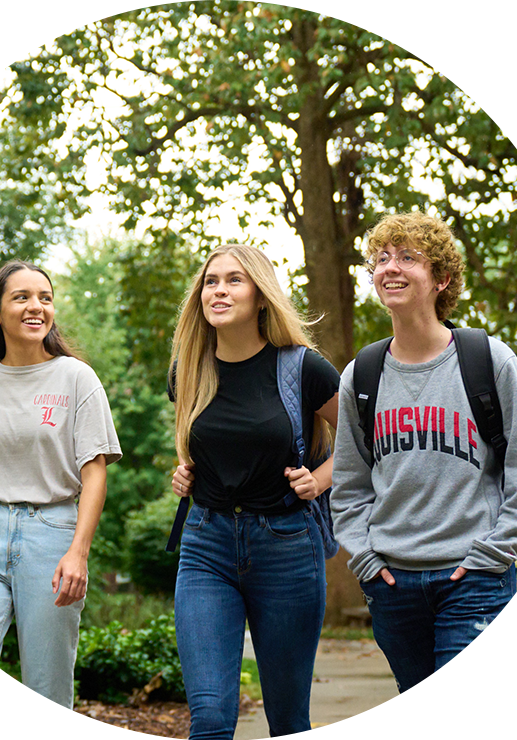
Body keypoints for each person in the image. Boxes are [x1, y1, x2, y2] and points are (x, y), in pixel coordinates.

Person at [330, 211, 517, 692]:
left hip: (474, 578)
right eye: (382, 258)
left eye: (409, 257)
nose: (391, 267)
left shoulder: (489, 360)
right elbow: (348, 487)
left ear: (442, 279)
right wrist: (367, 558)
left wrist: (494, 553)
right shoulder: (360, 376)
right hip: (392, 586)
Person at [169, 243, 340, 739]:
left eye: (234, 280)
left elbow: (365, 439)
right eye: (210, 281)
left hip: (286, 546)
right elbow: (202, 438)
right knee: (211, 719)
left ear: (261, 296)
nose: (218, 290)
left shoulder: (303, 367)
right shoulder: (188, 369)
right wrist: (186, 469)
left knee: (288, 722)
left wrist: (320, 478)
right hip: (206, 545)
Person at [0, 260, 121, 709]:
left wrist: (79, 551)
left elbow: (95, 470)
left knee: (46, 689)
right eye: (21, 297)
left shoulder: (76, 377)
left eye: (44, 297)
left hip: (52, 538)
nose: (35, 306)